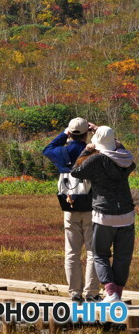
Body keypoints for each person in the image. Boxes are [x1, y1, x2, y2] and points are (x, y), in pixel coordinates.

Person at [71, 126, 136, 303]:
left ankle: (110, 292)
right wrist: (115, 142)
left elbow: (76, 171)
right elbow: (125, 155)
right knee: (123, 256)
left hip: (103, 214)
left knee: (100, 254)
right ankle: (118, 295)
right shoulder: (126, 160)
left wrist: (87, 149)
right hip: (126, 214)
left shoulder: (97, 160)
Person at [43, 117, 100, 302]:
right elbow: (112, 150)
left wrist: (64, 133)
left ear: (70, 133)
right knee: (93, 252)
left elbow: (47, 149)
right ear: (86, 133)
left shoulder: (61, 152)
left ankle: (74, 293)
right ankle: (92, 293)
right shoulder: (94, 152)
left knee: (71, 252)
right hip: (91, 206)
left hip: (70, 205)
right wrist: (97, 131)